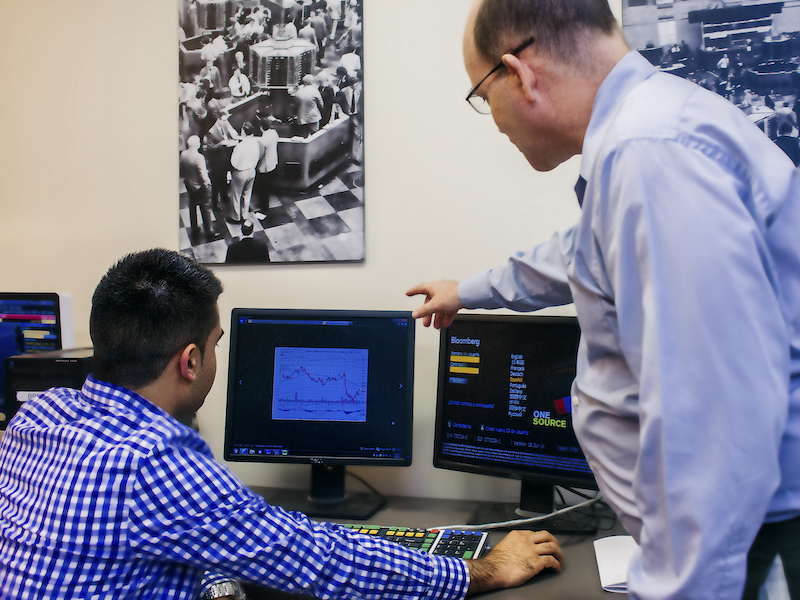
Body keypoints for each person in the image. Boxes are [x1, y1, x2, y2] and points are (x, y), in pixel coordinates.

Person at [407, 1, 800, 599]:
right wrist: (468, 290)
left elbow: (710, 419)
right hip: (734, 537)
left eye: (483, 97)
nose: (494, 121)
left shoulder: (652, 153)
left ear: (520, 73)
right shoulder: (649, 132)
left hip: (740, 544)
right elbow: (581, 252)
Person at [0, 248, 564, 599]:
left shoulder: (38, 416)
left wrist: (218, 583)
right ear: (190, 361)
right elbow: (322, 562)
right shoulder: (151, 462)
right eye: (217, 344)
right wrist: (486, 569)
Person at [180, 135, 219, 241]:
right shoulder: (199, 157)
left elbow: (182, 169)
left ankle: (194, 229)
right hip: (200, 187)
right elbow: (203, 174)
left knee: (192, 207)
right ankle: (209, 231)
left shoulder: (183, 154)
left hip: (189, 185)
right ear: (197, 144)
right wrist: (208, 184)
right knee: (206, 208)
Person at [228, 121, 262, 224]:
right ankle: (244, 215)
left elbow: (234, 162)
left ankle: (236, 217)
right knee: (247, 194)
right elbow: (258, 156)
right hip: (251, 171)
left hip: (241, 172)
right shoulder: (255, 143)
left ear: (243, 131)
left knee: (236, 195)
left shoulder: (239, 146)